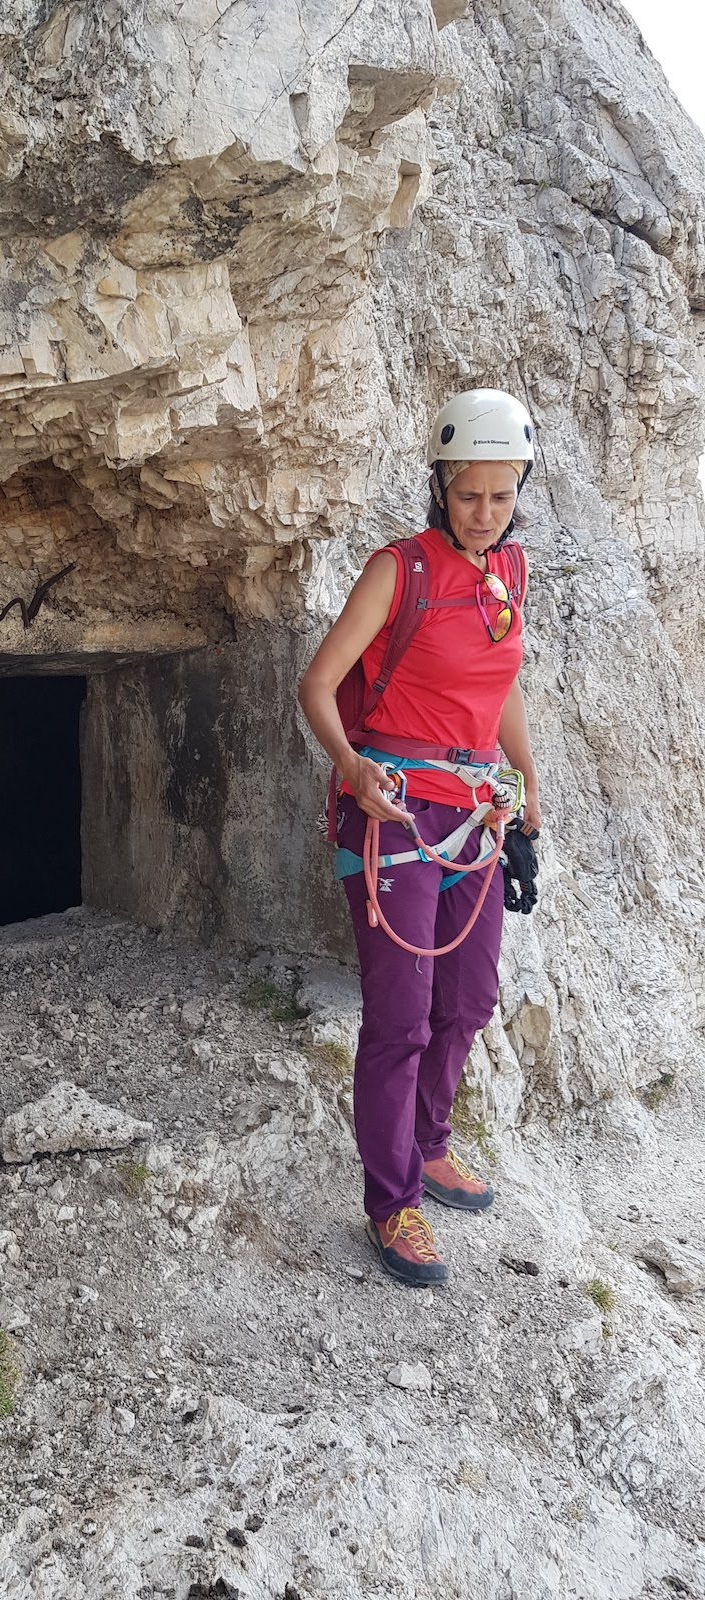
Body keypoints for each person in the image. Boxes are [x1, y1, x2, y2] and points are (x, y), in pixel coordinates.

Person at [297, 389, 542, 1288]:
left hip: (478, 811)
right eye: (469, 495)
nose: (485, 513)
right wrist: (355, 770)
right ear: (440, 487)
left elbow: (502, 684)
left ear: (520, 490)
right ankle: (392, 1197)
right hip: (395, 814)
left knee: (469, 1000)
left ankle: (431, 1144)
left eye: (502, 496)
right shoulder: (398, 572)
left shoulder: (508, 576)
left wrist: (530, 790)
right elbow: (317, 686)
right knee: (399, 1017)